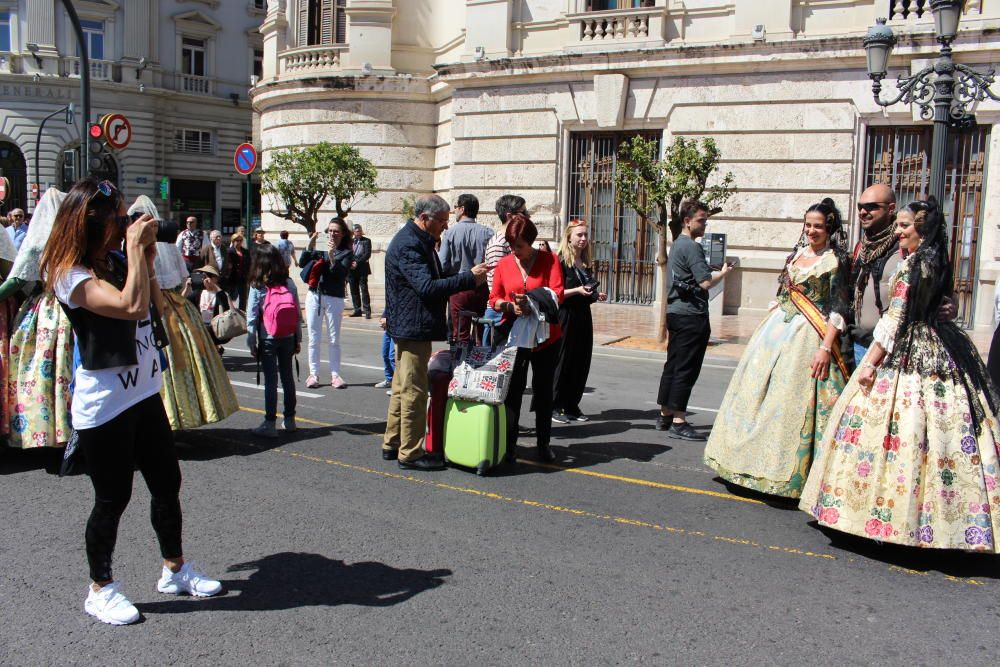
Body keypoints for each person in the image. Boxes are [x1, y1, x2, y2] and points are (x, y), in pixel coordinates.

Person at [41, 178, 221, 626]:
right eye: (119, 218)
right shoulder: (70, 274)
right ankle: (100, 589)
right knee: (112, 497)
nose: (128, 223)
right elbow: (129, 307)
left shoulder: (119, 258)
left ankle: (174, 570)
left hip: (143, 392)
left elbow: (154, 306)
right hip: (104, 403)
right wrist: (133, 250)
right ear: (93, 224)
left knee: (167, 483)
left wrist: (141, 254)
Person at [800, 198, 1000, 552]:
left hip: (909, 350)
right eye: (900, 225)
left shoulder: (912, 266)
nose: (899, 231)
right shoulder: (938, 260)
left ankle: (884, 517)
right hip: (942, 343)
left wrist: (872, 364)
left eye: (906, 226)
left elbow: (895, 320)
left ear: (922, 231)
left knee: (898, 435)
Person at [703, 199, 851, 497]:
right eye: (808, 225)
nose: (812, 231)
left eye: (818, 226)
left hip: (808, 335)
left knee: (789, 401)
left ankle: (786, 474)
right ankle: (742, 462)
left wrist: (825, 347)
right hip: (777, 331)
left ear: (830, 228)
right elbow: (784, 290)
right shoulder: (798, 255)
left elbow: (838, 307)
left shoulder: (835, 261)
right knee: (755, 394)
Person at [382, 194, 488, 470]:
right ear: (425, 218)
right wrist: (468, 278)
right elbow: (427, 287)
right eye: (442, 221)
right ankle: (410, 453)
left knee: (401, 387)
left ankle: (392, 443)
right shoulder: (410, 245)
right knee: (414, 390)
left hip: (411, 324)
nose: (445, 226)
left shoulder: (418, 241)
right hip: (412, 326)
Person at [135, 196, 238, 431]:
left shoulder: (144, 246)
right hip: (174, 305)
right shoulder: (171, 244)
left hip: (152, 304)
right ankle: (180, 414)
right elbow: (183, 276)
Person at [489, 213, 565, 463]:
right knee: (513, 391)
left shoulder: (549, 260)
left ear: (530, 241)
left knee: (544, 392)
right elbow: (494, 299)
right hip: (515, 337)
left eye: (519, 246)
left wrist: (532, 302)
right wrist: (510, 307)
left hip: (545, 338)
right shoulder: (504, 264)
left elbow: (557, 294)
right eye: (511, 246)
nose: (515, 251)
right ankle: (510, 444)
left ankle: (544, 444)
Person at [655, 201, 732, 441]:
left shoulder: (677, 243)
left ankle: (665, 414)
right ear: (687, 221)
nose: (705, 224)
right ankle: (679, 420)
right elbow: (705, 282)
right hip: (691, 315)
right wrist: (724, 273)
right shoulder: (691, 247)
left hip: (676, 313)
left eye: (706, 219)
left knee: (674, 363)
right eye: (701, 219)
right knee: (686, 368)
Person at [551, 219, 607, 424]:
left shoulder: (584, 262)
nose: (583, 239)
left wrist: (596, 295)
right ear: (569, 237)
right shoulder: (559, 261)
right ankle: (554, 405)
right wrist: (577, 290)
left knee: (581, 361)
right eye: (579, 235)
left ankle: (571, 404)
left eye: (585, 235)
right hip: (565, 315)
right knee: (562, 360)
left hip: (582, 315)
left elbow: (586, 289)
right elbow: (555, 293)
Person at [246, 243, 302, 438]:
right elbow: (297, 314)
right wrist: (297, 338)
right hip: (287, 336)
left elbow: (252, 317)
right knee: (288, 377)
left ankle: (270, 423)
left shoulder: (258, 286)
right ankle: (290, 419)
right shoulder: (289, 283)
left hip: (267, 337)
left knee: (271, 380)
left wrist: (251, 342)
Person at [299, 217, 353, 389]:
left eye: (336, 231)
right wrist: (310, 245)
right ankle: (313, 374)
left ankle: (335, 375)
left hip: (334, 297)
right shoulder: (321, 245)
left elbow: (340, 275)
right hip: (315, 295)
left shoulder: (346, 252)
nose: (332, 234)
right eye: (330, 230)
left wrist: (331, 256)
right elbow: (302, 263)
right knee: (313, 338)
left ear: (343, 234)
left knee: (334, 339)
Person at [438, 194, 494, 343]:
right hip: (482, 287)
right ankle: (480, 360)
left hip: (458, 287)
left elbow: (442, 263)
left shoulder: (450, 233)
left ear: (462, 209)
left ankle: (460, 362)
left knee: (459, 333)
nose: (454, 210)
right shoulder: (488, 233)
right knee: (481, 331)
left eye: (455, 207)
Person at [348, 223, 372, 318]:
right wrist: (351, 262)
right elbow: (347, 253)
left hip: (362, 269)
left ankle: (367, 311)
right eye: (357, 231)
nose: (358, 232)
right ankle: (357, 309)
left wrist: (356, 262)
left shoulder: (366, 241)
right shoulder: (350, 241)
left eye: (360, 230)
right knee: (354, 290)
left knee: (364, 289)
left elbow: (367, 254)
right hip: (351, 270)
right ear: (353, 232)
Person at [222, 230, 250, 310]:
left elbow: (249, 263)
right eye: (236, 240)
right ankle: (231, 312)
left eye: (240, 240)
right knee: (231, 297)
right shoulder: (229, 251)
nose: (238, 242)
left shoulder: (245, 251)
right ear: (233, 241)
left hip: (243, 278)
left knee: (243, 298)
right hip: (232, 278)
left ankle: (242, 313)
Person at [375, 308, 395, 395]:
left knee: (393, 357)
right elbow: (389, 304)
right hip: (389, 327)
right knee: (385, 354)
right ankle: (389, 379)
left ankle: (399, 386)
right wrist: (384, 317)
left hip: (397, 326)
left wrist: (389, 320)